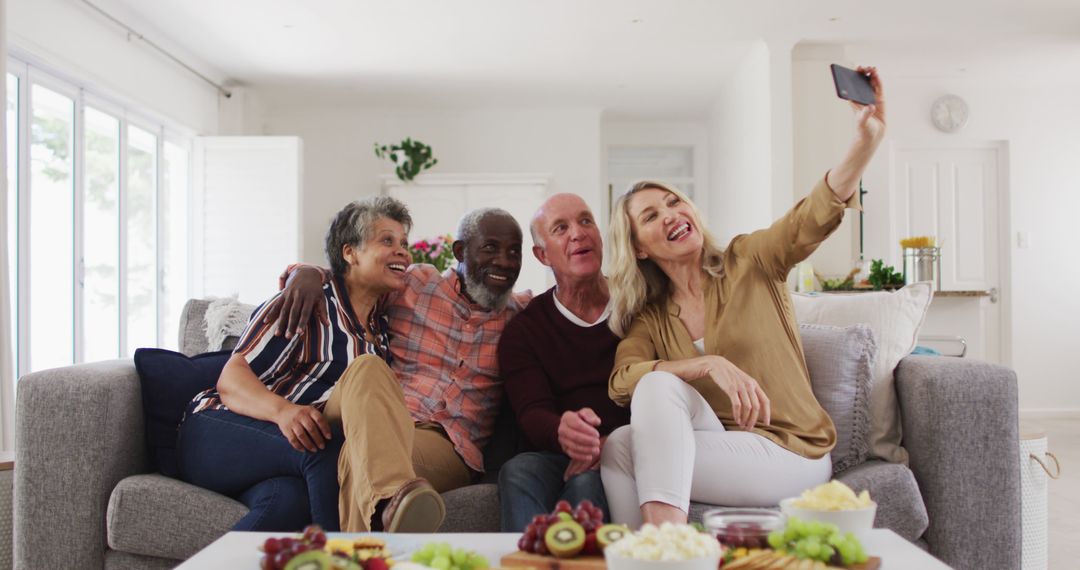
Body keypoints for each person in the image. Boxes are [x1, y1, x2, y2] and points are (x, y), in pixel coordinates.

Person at [600, 67, 887, 527]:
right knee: (620, 439)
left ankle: (666, 550)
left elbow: (809, 218)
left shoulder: (748, 261)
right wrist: (706, 363)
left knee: (632, 442)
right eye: (652, 216)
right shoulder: (651, 318)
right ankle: (643, 553)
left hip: (788, 451)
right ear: (638, 247)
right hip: (722, 444)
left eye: (675, 202)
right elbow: (622, 380)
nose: (672, 214)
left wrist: (865, 142)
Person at [271, 207, 531, 531]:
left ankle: (363, 545)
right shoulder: (415, 285)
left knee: (357, 454)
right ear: (461, 252)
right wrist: (307, 271)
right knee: (367, 370)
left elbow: (576, 302)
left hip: (447, 445)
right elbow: (357, 278)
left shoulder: (524, 315)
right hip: (384, 414)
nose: (504, 262)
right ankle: (387, 518)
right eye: (490, 248)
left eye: (513, 252)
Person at [176, 196, 416, 532]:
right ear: (350, 253)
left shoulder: (380, 328)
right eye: (387, 241)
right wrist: (284, 412)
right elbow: (231, 380)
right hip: (219, 429)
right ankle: (352, 558)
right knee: (323, 450)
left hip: (281, 454)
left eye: (405, 243)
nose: (403, 251)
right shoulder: (306, 302)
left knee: (288, 505)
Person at [496, 194, 630, 531]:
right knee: (517, 471)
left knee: (586, 484)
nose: (578, 233)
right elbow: (531, 412)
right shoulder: (524, 331)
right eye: (561, 228)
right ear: (542, 255)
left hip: (626, 446)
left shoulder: (636, 309)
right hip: (554, 453)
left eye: (586, 221)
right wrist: (564, 431)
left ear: (600, 235)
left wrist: (610, 444)